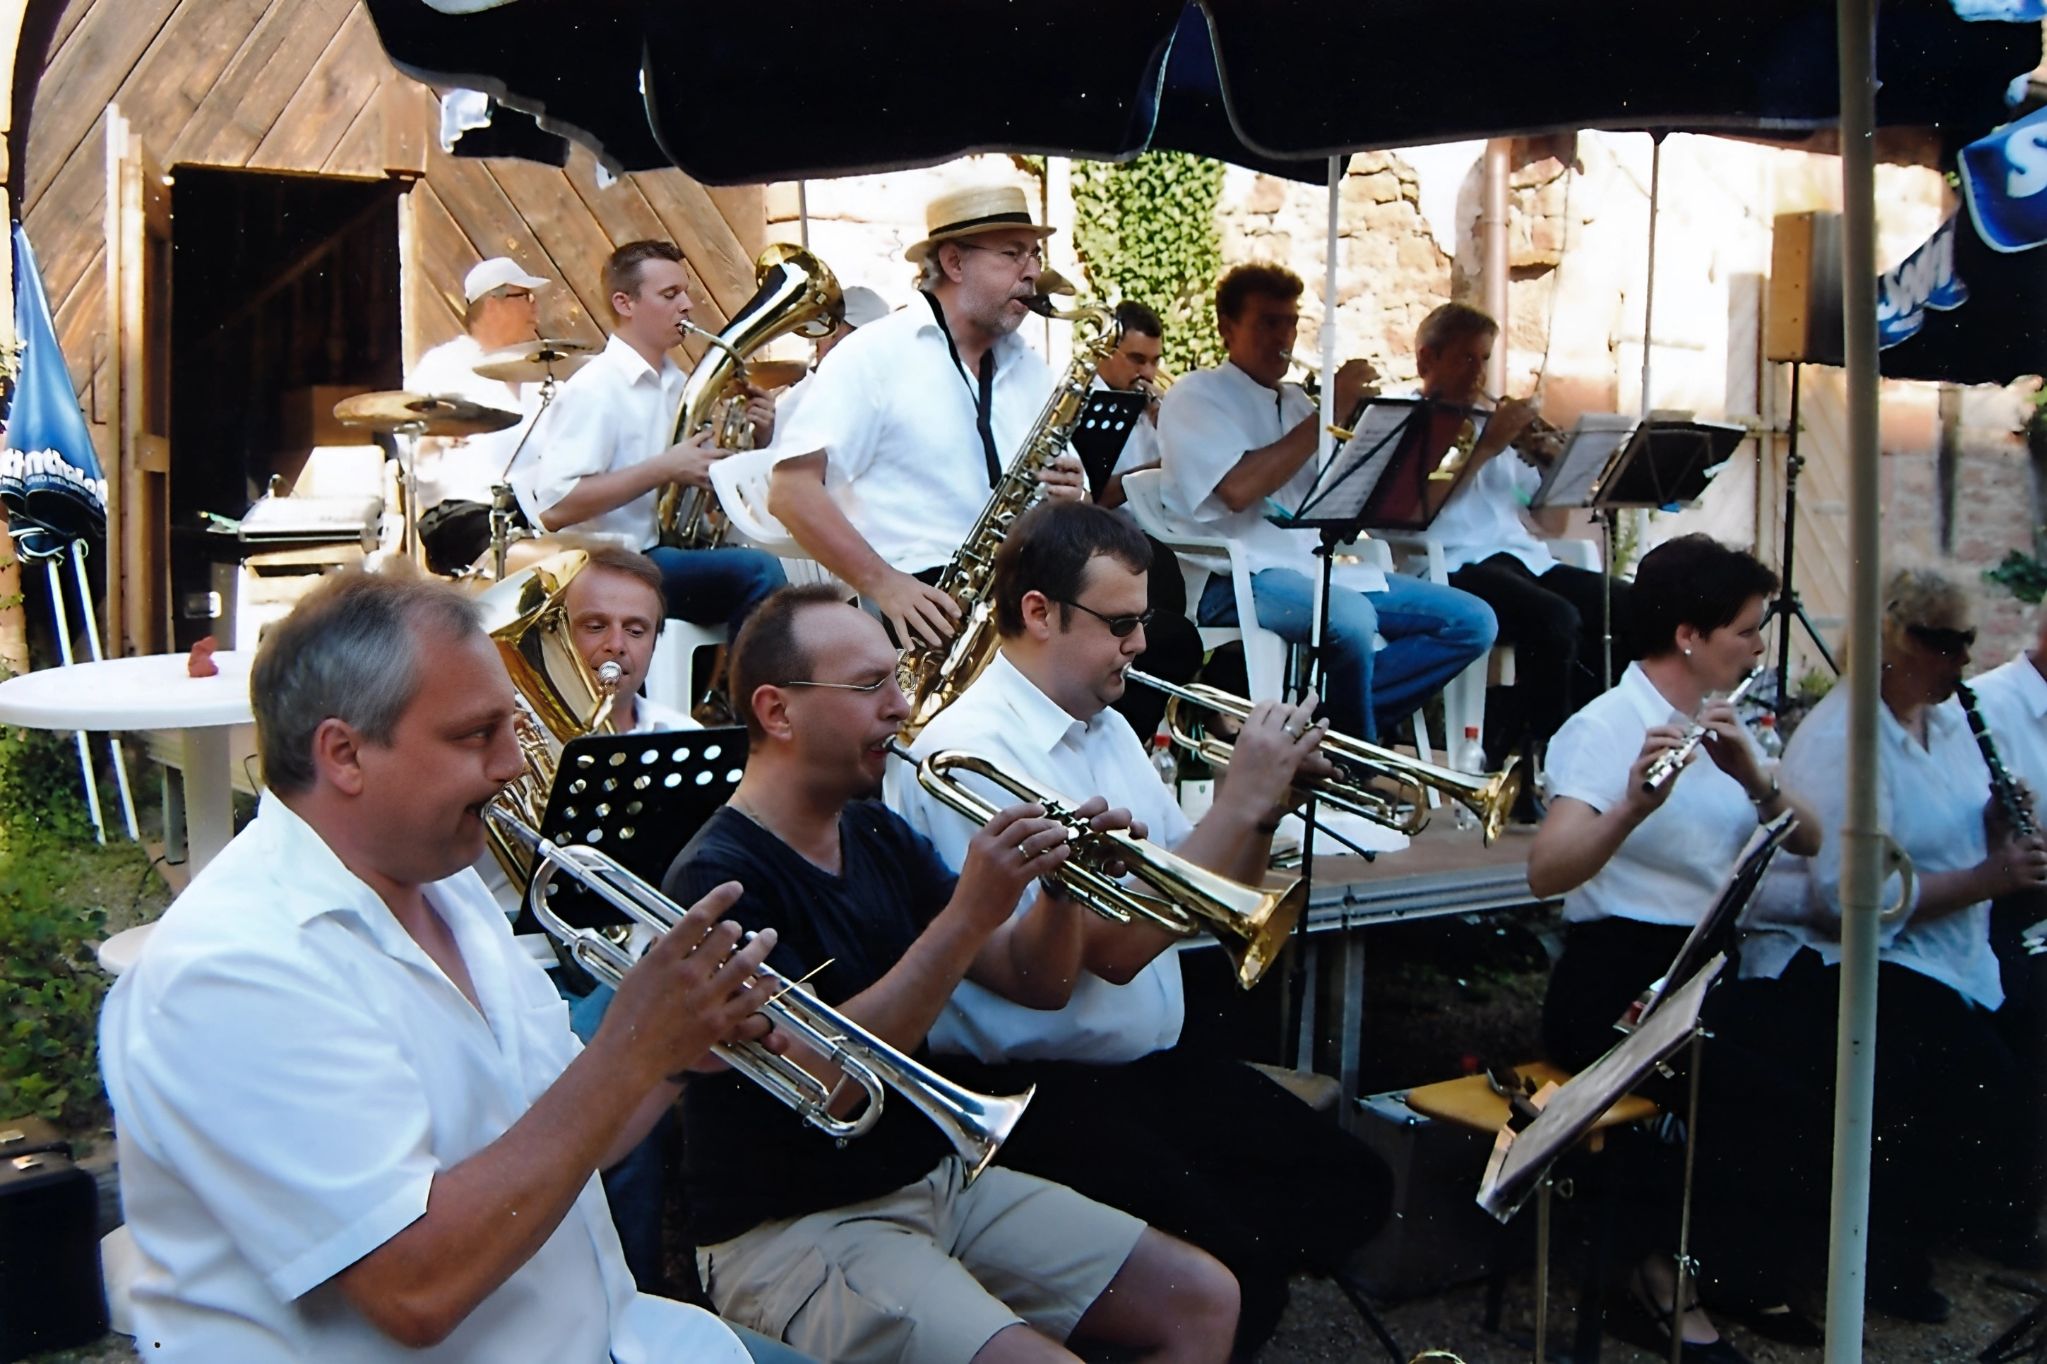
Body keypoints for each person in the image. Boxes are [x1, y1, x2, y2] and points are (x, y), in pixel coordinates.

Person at [97, 568, 808, 1362]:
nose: (511, 763)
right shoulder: (231, 970)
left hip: (613, 1336)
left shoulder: (444, 888)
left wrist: (675, 1060)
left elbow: (567, 1134)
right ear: (344, 754)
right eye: (475, 735)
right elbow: (414, 1288)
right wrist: (629, 1051)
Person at [664, 584, 1240, 1364]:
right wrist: (968, 914)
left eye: (898, 680)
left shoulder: (875, 831)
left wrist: (1060, 888)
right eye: (871, 686)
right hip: (791, 1227)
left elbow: (1037, 982)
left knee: (1201, 1301)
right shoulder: (718, 877)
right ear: (776, 711)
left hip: (933, 1181)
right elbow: (830, 1085)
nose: (902, 707)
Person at [886, 500, 1392, 1355]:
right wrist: (1239, 796)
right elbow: (1113, 956)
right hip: (1041, 1090)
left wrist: (1263, 809)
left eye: (1143, 621)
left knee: (1352, 1187)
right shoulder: (971, 750)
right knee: (1240, 1265)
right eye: (1119, 624)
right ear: (1039, 612)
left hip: (1147, 1069)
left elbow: (1201, 896)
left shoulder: (1107, 729)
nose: (1140, 646)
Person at [1526, 534, 1821, 1356]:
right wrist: (1628, 812)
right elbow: (1545, 872)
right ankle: (1658, 1279)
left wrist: (1754, 778)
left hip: (1702, 967)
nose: (1761, 646)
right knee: (1763, 1099)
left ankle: (1730, 1269)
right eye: (1748, 630)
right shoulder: (1604, 727)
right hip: (1613, 983)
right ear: (1688, 634)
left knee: (1824, 1066)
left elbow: (1810, 840)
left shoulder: (1719, 723)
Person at [1740, 566, 2047, 1320]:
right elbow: (1850, 901)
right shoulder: (1847, 740)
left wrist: (2000, 830)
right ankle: (1885, 1256)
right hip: (1842, 958)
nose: (1959, 660)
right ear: (1892, 642)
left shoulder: (1945, 724)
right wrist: (1990, 875)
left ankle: (1960, 1224)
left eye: (1966, 641)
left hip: (1945, 948)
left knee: (2021, 1037)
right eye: (1941, 643)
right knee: (1970, 1073)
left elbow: (1945, 838)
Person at [1156, 263, 1496, 742]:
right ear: (1226, 328)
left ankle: (1322, 722)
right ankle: (1349, 756)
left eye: (1291, 322)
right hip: (1233, 576)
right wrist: (1328, 414)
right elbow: (1236, 490)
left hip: (1312, 568)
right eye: (1268, 323)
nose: (1285, 336)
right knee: (1351, 620)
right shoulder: (1195, 396)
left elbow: (1344, 496)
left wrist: (1374, 437)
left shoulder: (1296, 402)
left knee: (1472, 621)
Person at [765, 183, 1093, 653]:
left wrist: (1073, 492)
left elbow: (1072, 485)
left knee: (1159, 624)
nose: (1034, 273)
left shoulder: (1031, 366)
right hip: (925, 593)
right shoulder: (873, 355)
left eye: (1035, 255)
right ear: (955, 262)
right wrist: (884, 583)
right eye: (1012, 254)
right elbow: (790, 493)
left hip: (1023, 584)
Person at [523, 239, 786, 637]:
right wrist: (663, 469)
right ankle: (745, 697)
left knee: (771, 562)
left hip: (666, 553)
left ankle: (718, 692)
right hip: (617, 562)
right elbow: (555, 508)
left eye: (685, 292)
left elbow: (702, 494)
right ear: (625, 304)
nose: (686, 305)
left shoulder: (678, 384)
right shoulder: (596, 389)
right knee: (758, 573)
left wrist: (757, 438)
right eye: (669, 294)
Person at [1415, 301, 1630, 772]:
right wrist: (1488, 444)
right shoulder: (1411, 421)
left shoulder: (1490, 423)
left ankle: (1562, 737)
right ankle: (1536, 753)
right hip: (1450, 564)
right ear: (1426, 360)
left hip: (1521, 557)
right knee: (1555, 621)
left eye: (1485, 359)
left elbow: (1548, 526)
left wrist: (1555, 465)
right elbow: (1416, 512)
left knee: (1629, 610)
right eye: (1465, 358)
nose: (1479, 373)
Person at [1082, 299, 1202, 740]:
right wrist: (1154, 465)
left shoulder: (1151, 410)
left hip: (1151, 541)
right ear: (1104, 352)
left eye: (1154, 361)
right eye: (1136, 359)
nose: (1148, 373)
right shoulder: (1089, 407)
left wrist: (1169, 430)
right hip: (1105, 541)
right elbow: (1095, 497)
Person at [404, 257, 551, 574]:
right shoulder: (443, 366)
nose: (536, 308)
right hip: (463, 515)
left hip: (532, 511)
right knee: (543, 563)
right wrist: (439, 438)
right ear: (494, 304)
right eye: (525, 296)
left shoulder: (541, 369)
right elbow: (409, 440)